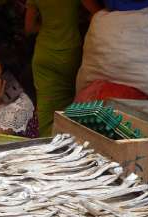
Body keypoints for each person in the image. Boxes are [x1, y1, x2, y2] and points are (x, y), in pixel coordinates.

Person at [25, 0, 102, 137]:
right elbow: (99, 13)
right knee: (69, 105)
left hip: (44, 53)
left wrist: (46, 26)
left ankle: (46, 148)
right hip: (69, 53)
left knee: (45, 108)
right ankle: (65, 146)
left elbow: (29, 27)